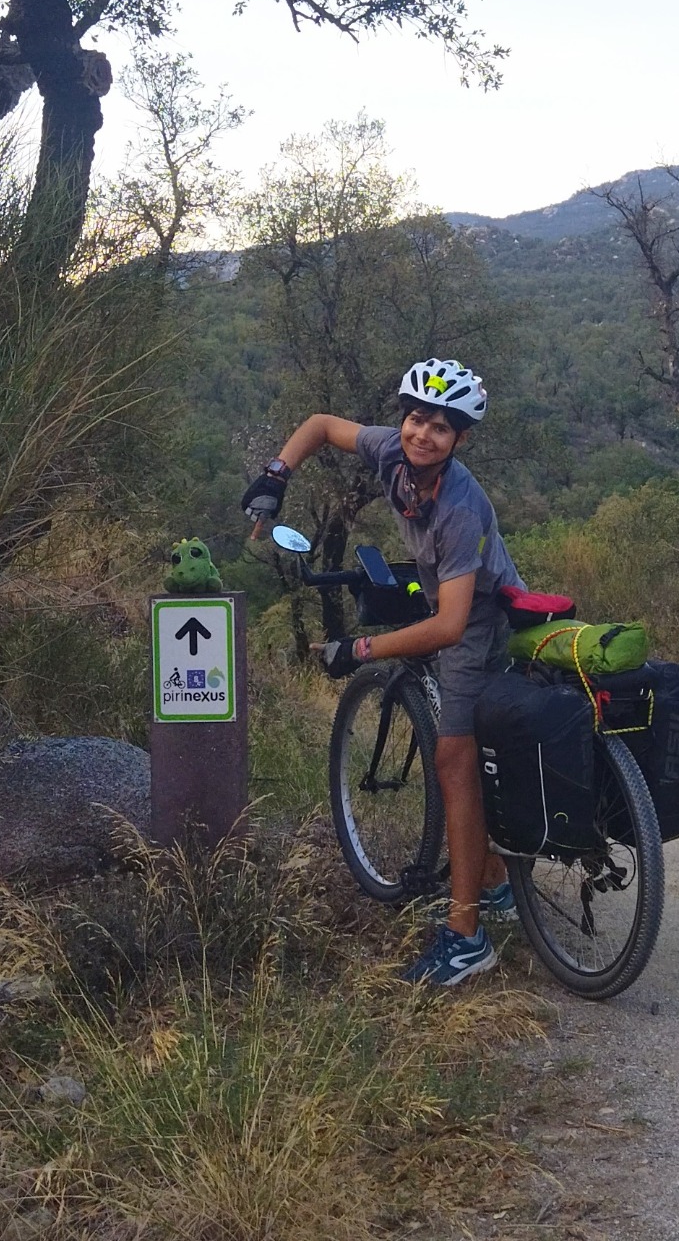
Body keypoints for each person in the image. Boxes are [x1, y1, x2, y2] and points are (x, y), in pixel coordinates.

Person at [241, 357, 524, 986]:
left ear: (460, 440)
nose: (423, 434)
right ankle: (497, 882)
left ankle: (466, 935)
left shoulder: (460, 507)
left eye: (441, 428)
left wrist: (361, 651)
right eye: (416, 419)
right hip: (441, 596)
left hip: (480, 621)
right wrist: (274, 477)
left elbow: (453, 627)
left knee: (454, 760)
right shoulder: (392, 453)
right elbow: (319, 425)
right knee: (462, 752)